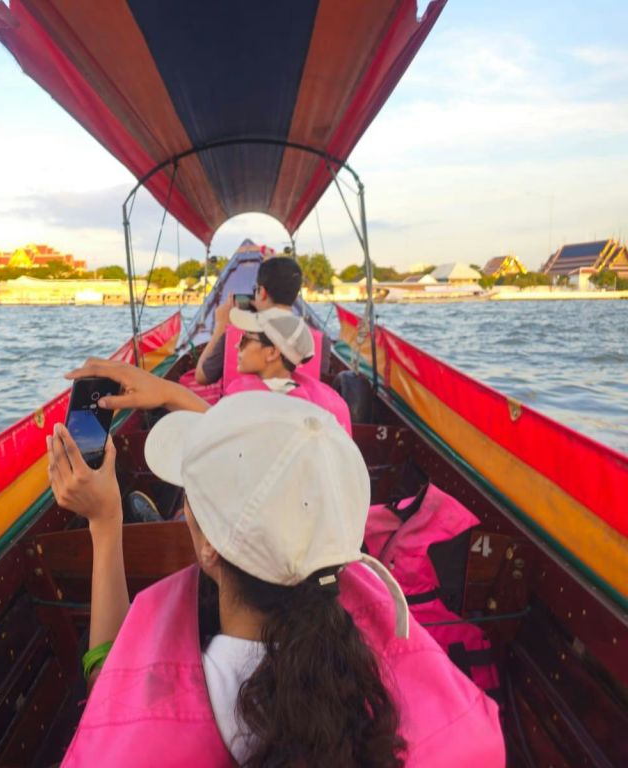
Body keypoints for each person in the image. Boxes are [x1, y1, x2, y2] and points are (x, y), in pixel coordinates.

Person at [46, 372, 504, 768]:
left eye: (189, 503)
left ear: (207, 547)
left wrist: (105, 524)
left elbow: (110, 696)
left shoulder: (142, 730)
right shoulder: (415, 687)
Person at [227, 306, 353, 434]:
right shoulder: (323, 405)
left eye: (245, 340)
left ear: (272, 352)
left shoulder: (250, 405)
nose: (237, 345)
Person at [194, 256, 316, 388]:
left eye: (245, 340)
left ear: (262, 292)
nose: (238, 345)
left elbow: (201, 376)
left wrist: (221, 325)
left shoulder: (232, 335)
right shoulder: (311, 341)